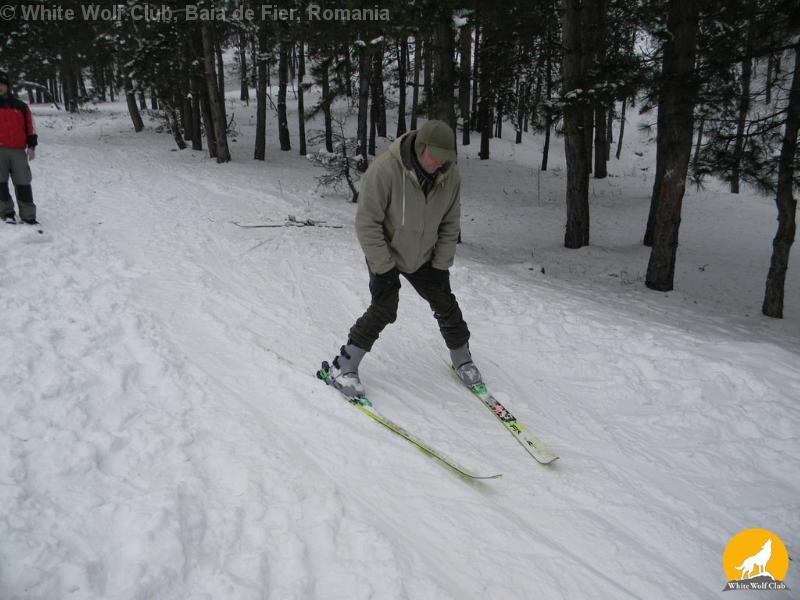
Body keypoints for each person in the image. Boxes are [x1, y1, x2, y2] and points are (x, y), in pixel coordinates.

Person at [330, 119, 483, 396]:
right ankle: (344, 365)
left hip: (424, 255)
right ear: (421, 147)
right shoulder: (385, 170)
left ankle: (462, 358)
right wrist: (383, 267)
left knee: (445, 303)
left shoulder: (450, 176)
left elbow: (450, 224)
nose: (441, 163)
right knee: (385, 307)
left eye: (446, 157)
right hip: (386, 251)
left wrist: (441, 264)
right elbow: (367, 223)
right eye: (436, 156)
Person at [0, 70, 38, 225]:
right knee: (0, 183)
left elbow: (30, 127)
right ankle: (6, 212)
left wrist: (32, 146)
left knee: (23, 182)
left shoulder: (21, 106)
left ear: (7, 86)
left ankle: (28, 216)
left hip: (17, 151)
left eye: (2, 84)